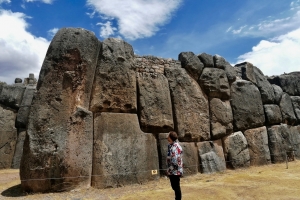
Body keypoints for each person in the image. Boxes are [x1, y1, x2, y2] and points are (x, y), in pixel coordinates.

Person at [166, 131, 183, 200]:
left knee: (176, 187)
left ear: (170, 137)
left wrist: (169, 169)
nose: (167, 137)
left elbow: (175, 161)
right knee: (174, 186)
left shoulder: (175, 147)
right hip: (173, 170)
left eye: (168, 136)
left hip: (175, 170)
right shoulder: (171, 146)